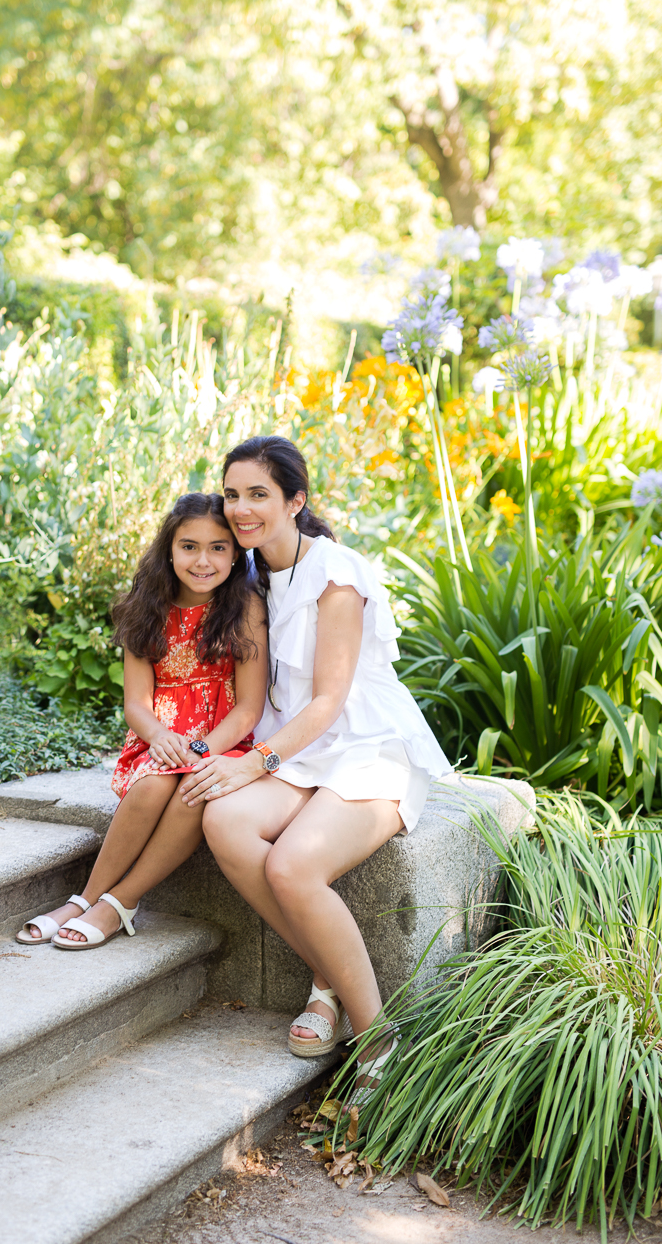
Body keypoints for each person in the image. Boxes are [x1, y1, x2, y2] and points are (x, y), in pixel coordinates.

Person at [178, 436, 450, 1088]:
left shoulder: (338, 574)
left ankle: (378, 1039)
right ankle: (326, 978)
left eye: (259, 495)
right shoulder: (246, 578)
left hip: (366, 747)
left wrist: (253, 763)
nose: (240, 510)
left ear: (296, 500)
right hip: (300, 753)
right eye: (233, 494)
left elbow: (329, 702)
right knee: (225, 823)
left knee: (294, 863)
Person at [16, 492, 267, 949]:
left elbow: (250, 706)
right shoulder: (145, 607)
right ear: (169, 548)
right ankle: (84, 898)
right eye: (189, 546)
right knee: (154, 783)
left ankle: (120, 903)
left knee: (196, 786)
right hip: (160, 736)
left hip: (222, 739)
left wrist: (201, 748)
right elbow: (136, 702)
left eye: (218, 547)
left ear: (236, 555)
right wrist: (159, 735)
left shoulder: (244, 610)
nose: (203, 560)